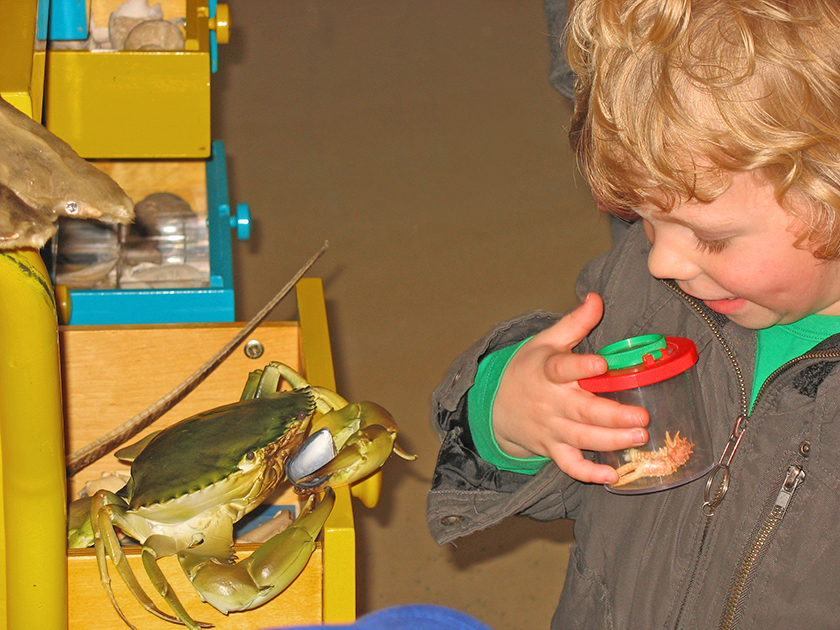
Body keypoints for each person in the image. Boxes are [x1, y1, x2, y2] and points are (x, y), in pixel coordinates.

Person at [428, 1, 840, 629]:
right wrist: (507, 410)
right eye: (642, 220)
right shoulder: (650, 298)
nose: (661, 261)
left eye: (711, 238)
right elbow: (586, 462)